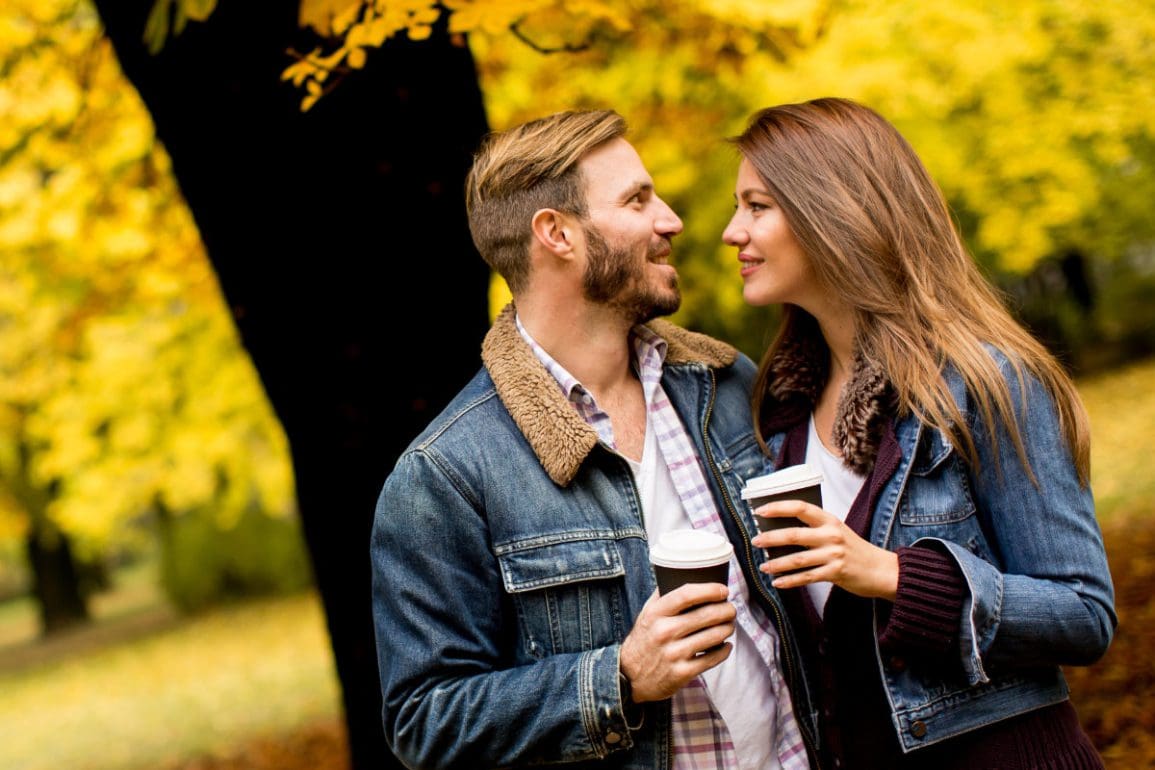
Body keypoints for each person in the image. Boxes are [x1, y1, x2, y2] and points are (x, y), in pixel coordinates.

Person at [370, 109, 816, 769]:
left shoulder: (720, 385)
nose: (670, 220)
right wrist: (618, 679)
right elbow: (424, 720)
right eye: (637, 200)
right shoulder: (447, 475)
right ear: (556, 234)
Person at [722, 96, 1117, 769]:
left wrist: (888, 574)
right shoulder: (781, 410)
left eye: (757, 206)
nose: (732, 231)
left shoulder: (982, 384)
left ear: (832, 213)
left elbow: (1083, 616)